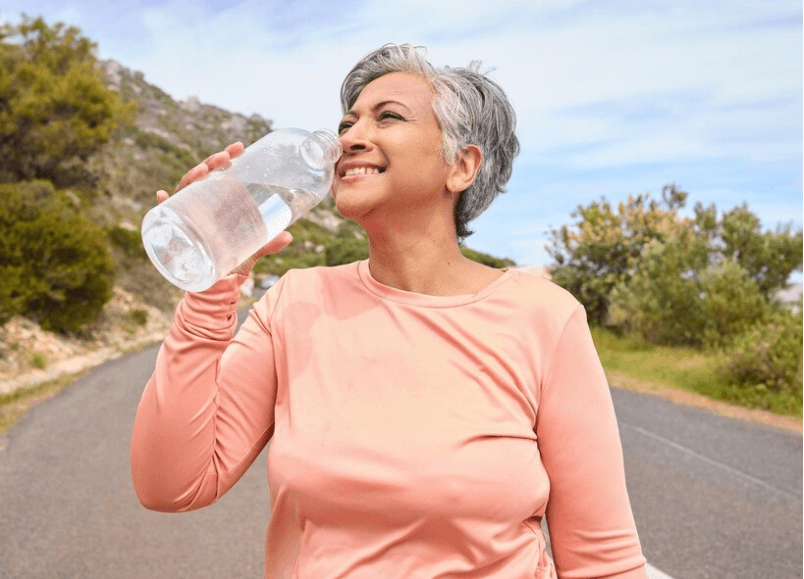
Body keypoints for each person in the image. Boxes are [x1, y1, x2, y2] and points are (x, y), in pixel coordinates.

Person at [131, 44, 648, 578]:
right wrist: (211, 282)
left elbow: (603, 564)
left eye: (389, 117)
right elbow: (171, 485)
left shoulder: (544, 318)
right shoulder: (295, 304)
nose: (348, 139)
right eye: (347, 122)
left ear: (462, 165)